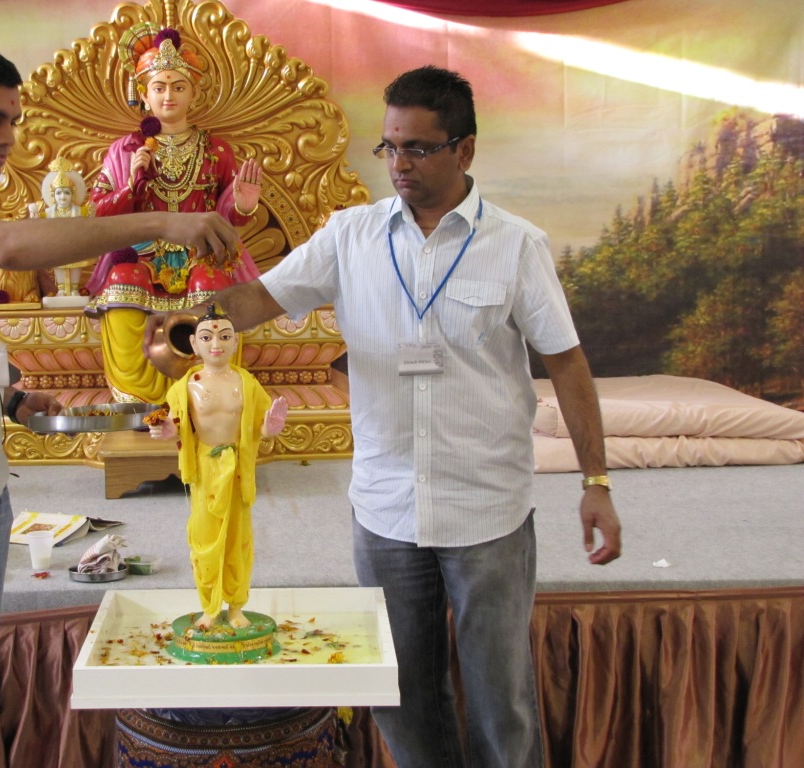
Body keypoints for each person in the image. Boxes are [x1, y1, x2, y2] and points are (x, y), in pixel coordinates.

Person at [146, 66, 622, 767]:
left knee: (502, 701)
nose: (399, 164)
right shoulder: (351, 236)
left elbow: (568, 364)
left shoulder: (516, 245)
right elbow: (259, 301)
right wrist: (188, 323)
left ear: (464, 151)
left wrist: (596, 481)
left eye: (419, 149)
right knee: (400, 695)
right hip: (386, 508)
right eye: (390, 148)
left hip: (486, 507)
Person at [0, 40, 239, 768]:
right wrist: (160, 222)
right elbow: (16, 248)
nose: (9, 140)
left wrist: (13, 396)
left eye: (14, 121)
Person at [85, 24, 263, 405]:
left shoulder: (216, 150)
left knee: (211, 283)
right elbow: (98, 213)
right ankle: (138, 395)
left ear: (194, 93)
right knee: (122, 280)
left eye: (178, 86)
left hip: (201, 252)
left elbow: (225, 215)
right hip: (138, 253)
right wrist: (131, 184)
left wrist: (243, 204)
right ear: (144, 95)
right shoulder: (124, 150)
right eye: (160, 87)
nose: (169, 96)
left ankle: (208, 390)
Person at [149, 304, 287, 630]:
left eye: (225, 337)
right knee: (204, 538)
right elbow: (176, 423)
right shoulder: (186, 386)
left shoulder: (246, 383)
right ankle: (209, 607)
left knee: (239, 539)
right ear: (194, 345)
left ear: (235, 342)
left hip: (237, 467)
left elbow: (260, 425)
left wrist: (271, 426)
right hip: (205, 467)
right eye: (208, 337)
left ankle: (236, 606)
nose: (217, 344)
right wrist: (168, 430)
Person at [27, 158, 96, 297]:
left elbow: (90, 224)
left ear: (73, 195)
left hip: (75, 244)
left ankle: (75, 289)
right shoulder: (49, 212)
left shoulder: (78, 210)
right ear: (53, 195)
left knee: (75, 266)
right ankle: (62, 289)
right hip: (57, 245)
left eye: (66, 192)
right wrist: (34, 213)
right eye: (59, 193)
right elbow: (38, 224)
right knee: (59, 266)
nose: (62, 196)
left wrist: (91, 212)